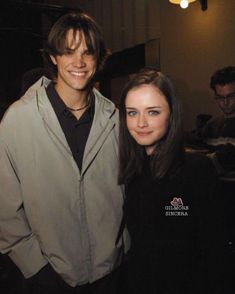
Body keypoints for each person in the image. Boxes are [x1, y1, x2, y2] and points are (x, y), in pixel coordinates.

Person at [0, 11, 129, 294]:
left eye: (88, 52)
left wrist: (122, 249)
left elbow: (128, 190)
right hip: (45, 278)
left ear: (99, 58)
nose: (79, 62)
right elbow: (5, 210)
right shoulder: (18, 119)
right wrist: (36, 267)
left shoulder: (115, 118)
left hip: (110, 274)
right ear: (54, 57)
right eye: (68, 52)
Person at [118, 67, 226, 294]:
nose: (141, 123)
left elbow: (214, 252)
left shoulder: (197, 170)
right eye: (132, 112)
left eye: (153, 112)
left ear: (172, 113)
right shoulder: (130, 171)